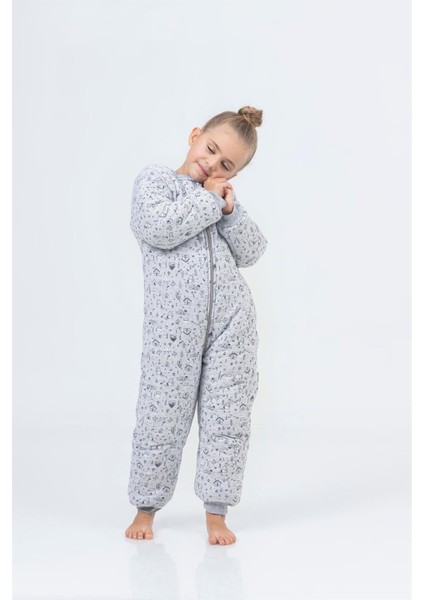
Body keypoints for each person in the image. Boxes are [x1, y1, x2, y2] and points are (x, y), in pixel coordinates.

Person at [124, 106, 268, 545]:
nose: (212, 164)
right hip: (173, 331)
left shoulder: (219, 200)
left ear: (234, 174)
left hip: (231, 327)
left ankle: (217, 513)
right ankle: (145, 508)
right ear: (194, 136)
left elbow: (252, 252)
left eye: (226, 164)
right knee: (160, 416)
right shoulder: (156, 182)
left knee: (228, 419)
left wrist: (230, 210)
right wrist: (208, 199)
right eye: (210, 149)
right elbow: (159, 228)